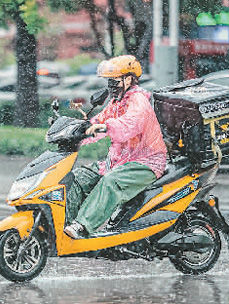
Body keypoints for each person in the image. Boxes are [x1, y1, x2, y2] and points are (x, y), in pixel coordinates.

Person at [64, 55, 167, 239]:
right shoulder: (116, 102)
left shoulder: (138, 100)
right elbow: (99, 121)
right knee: (78, 177)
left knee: (110, 182)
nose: (111, 86)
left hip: (146, 162)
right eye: (109, 82)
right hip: (120, 161)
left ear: (128, 79)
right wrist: (77, 133)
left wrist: (107, 127)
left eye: (114, 81)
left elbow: (130, 124)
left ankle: (82, 226)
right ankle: (65, 225)